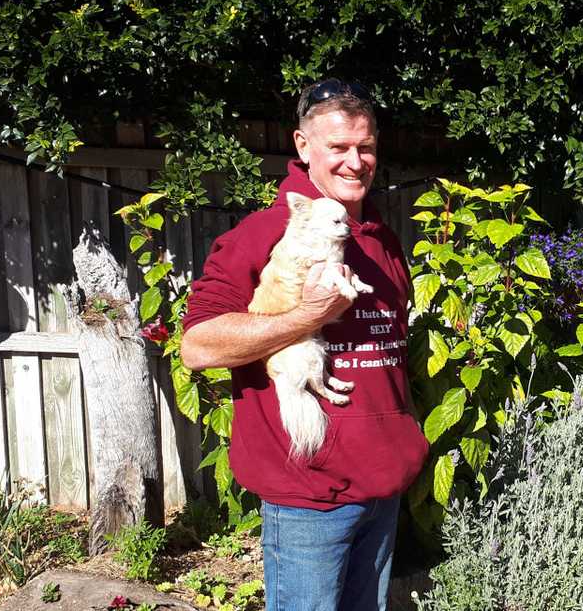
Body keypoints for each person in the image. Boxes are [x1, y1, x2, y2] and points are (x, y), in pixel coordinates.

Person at [180, 79, 429, 611]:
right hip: (308, 495)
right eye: (338, 147)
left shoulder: (380, 238)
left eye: (365, 147)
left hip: (382, 487)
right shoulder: (262, 233)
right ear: (302, 146)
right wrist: (307, 315)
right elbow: (199, 345)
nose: (355, 162)